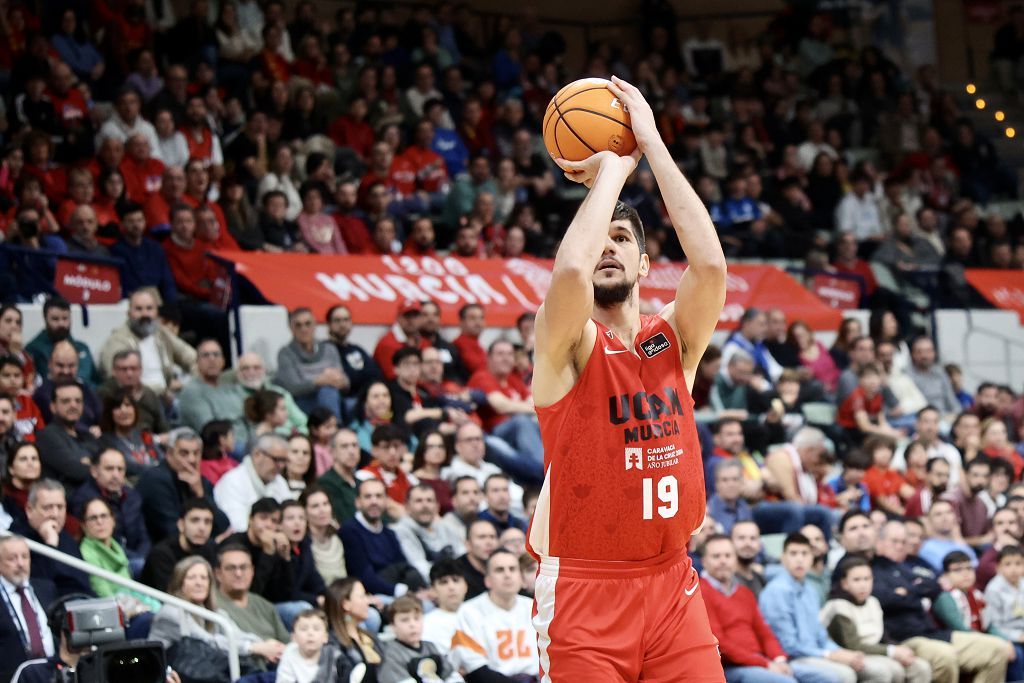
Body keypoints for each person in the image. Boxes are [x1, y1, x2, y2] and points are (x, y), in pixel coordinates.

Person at [700, 534, 831, 683]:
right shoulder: (700, 593)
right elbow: (720, 644)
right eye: (716, 556)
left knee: (829, 678)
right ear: (704, 561)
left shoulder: (744, 592)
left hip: (761, 661)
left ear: (735, 559)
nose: (723, 561)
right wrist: (766, 664)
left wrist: (779, 659)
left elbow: (763, 631)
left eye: (728, 555)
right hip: (731, 667)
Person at [759, 534, 864, 683]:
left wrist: (841, 652)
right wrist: (829, 655)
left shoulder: (810, 590)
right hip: (792, 659)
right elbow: (788, 645)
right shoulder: (776, 591)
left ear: (811, 558)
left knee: (866, 667)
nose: (800, 559)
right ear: (783, 558)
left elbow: (820, 635)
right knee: (845, 675)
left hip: (815, 654)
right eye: (793, 553)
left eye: (805, 553)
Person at [149, 556, 286, 667]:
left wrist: (265, 645)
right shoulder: (171, 612)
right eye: (192, 578)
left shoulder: (214, 613)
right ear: (180, 583)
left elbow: (236, 634)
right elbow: (207, 643)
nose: (199, 583)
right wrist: (253, 647)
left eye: (204, 578)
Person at [820, 555, 932, 683]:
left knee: (920, 667)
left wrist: (899, 650)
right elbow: (852, 645)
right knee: (890, 670)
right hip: (852, 654)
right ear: (844, 584)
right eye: (856, 580)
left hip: (875, 650)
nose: (863, 585)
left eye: (867, 579)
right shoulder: (837, 606)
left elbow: (883, 636)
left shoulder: (873, 602)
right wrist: (892, 651)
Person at [453, 548, 539, 682]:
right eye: (499, 570)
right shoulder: (469, 611)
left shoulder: (534, 607)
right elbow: (475, 669)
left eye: (512, 569)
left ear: (521, 577)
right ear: (487, 580)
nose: (507, 575)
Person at [136, 427, 230, 543]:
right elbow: (170, 532)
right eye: (184, 453)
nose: (192, 459)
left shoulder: (201, 482)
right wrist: (213, 543)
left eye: (196, 453)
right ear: (169, 454)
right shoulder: (155, 480)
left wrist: (201, 495)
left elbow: (223, 526)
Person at [340, 478, 426, 601]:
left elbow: (404, 566)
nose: (374, 501)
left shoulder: (389, 533)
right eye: (368, 497)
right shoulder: (350, 531)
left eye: (379, 496)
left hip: (397, 590)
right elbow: (365, 578)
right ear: (358, 502)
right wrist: (404, 591)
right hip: (370, 595)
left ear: (386, 501)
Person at [68, 447, 151, 573]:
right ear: (94, 471)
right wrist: (140, 560)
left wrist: (143, 557)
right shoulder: (85, 500)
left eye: (120, 469)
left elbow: (143, 536)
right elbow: (104, 540)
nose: (116, 475)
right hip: (107, 562)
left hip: (136, 558)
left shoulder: (133, 496)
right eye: (109, 469)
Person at [10, 480, 93, 597]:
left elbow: (83, 582)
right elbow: (33, 587)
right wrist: (50, 545)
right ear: (29, 510)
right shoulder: (14, 540)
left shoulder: (66, 537)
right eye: (47, 507)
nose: (55, 514)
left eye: (60, 507)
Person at [78, 497, 160, 614]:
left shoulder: (114, 545)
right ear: (84, 525)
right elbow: (104, 594)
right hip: (115, 611)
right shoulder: (87, 553)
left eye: (104, 516)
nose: (100, 522)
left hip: (130, 600)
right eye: (93, 518)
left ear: (113, 520)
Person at [0, 535, 57, 682]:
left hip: (52, 674)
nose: (20, 563)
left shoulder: (46, 589)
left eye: (25, 557)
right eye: (12, 558)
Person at [212, 543, 292, 645]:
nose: (238, 574)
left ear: (252, 571)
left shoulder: (265, 605)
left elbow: (286, 641)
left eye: (244, 567)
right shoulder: (212, 604)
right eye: (231, 568)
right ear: (218, 574)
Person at [276, 308, 347, 420]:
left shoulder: (329, 349)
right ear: (291, 329)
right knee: (327, 391)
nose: (304, 329)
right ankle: (333, 429)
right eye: (298, 325)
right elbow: (293, 388)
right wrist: (320, 381)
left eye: (308, 324)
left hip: (332, 398)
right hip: (302, 402)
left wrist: (340, 381)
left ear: (315, 326)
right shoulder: (285, 353)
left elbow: (345, 382)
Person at [213, 433, 292, 532]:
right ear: (257, 454)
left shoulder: (280, 482)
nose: (280, 466)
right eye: (276, 460)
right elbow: (238, 527)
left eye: (284, 461)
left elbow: (290, 516)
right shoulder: (232, 482)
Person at [140, 497, 216, 591]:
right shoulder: (162, 554)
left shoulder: (210, 550)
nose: (202, 528)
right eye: (195, 520)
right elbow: (169, 594)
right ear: (181, 525)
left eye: (207, 522)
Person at [33, 379, 99, 487]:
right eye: (66, 401)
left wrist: (88, 463)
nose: (73, 405)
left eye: (78, 401)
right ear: (53, 407)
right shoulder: (47, 435)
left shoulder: (88, 435)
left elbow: (105, 461)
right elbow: (76, 471)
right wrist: (96, 466)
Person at [25, 297, 100, 388]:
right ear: (45, 319)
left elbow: (97, 381)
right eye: (55, 319)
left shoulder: (82, 348)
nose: (61, 324)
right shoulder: (34, 349)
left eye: (65, 318)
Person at [380, 595, 458, 683]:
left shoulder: (430, 646)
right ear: (393, 626)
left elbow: (450, 675)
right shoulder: (392, 654)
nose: (412, 625)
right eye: (405, 620)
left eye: (416, 618)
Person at [324, 577, 383, 682]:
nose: (368, 601)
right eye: (362, 596)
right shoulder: (331, 643)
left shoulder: (368, 636)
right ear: (345, 604)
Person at [275, 608, 342, 683]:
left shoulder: (334, 655)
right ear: (294, 637)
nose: (310, 633)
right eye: (303, 629)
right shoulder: (289, 653)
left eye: (316, 629)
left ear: (325, 637)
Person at [300, 486, 347, 586]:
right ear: (304, 512)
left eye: (325, 504)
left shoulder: (338, 537)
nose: (322, 510)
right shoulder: (303, 543)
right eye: (315, 506)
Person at [422, 559, 469, 655]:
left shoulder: (482, 613)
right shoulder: (426, 624)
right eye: (444, 582)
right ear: (433, 590)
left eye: (456, 580)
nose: (451, 587)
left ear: (465, 586)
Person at [317, 428, 360, 525]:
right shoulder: (325, 483)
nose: (351, 451)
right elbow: (344, 519)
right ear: (332, 452)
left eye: (355, 445)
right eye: (344, 446)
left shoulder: (362, 484)